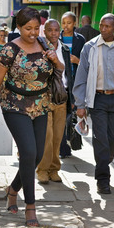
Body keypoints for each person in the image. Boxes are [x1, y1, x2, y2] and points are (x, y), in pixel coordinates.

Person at [0, 7, 64, 227]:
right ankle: (31, 207)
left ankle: (13, 189)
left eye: (36, 28)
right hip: (14, 105)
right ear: (18, 27)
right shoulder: (9, 50)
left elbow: (61, 69)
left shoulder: (45, 44)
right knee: (28, 151)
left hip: (41, 104)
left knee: (35, 156)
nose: (33, 32)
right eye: (28, 28)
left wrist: (55, 59)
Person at [73, 13, 114, 194]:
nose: (103, 29)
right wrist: (80, 104)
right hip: (98, 99)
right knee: (100, 139)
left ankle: (104, 159)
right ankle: (103, 179)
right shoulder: (90, 47)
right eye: (101, 25)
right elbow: (81, 77)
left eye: (107, 26)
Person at [36, 19, 74, 184]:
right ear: (44, 32)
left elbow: (68, 75)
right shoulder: (39, 48)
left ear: (60, 32)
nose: (53, 33)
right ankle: (42, 170)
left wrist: (72, 98)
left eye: (56, 30)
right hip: (44, 98)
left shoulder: (65, 49)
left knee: (58, 136)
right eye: (50, 30)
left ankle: (54, 169)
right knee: (47, 136)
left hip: (61, 98)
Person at [59, 11, 86, 158]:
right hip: (60, 83)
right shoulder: (57, 38)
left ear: (75, 24)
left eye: (69, 23)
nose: (66, 26)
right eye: (63, 22)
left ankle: (71, 142)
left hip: (75, 82)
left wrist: (77, 61)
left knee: (72, 114)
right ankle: (62, 148)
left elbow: (87, 63)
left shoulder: (80, 40)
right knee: (61, 115)